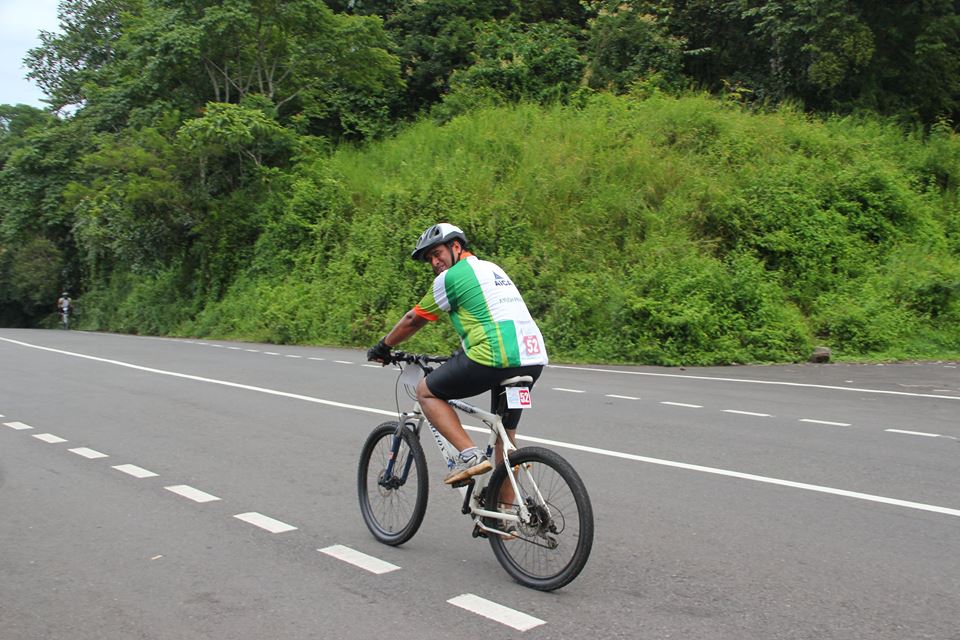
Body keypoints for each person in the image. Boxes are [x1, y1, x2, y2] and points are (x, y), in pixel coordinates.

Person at [367, 223, 548, 491]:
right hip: (531, 358)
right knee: (505, 440)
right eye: (429, 259)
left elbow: (414, 319)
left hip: (494, 357)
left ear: (456, 246)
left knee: (426, 392)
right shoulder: (492, 268)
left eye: (437, 253)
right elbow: (494, 312)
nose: (434, 262)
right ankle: (506, 513)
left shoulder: (450, 277)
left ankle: (469, 455)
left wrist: (384, 346)